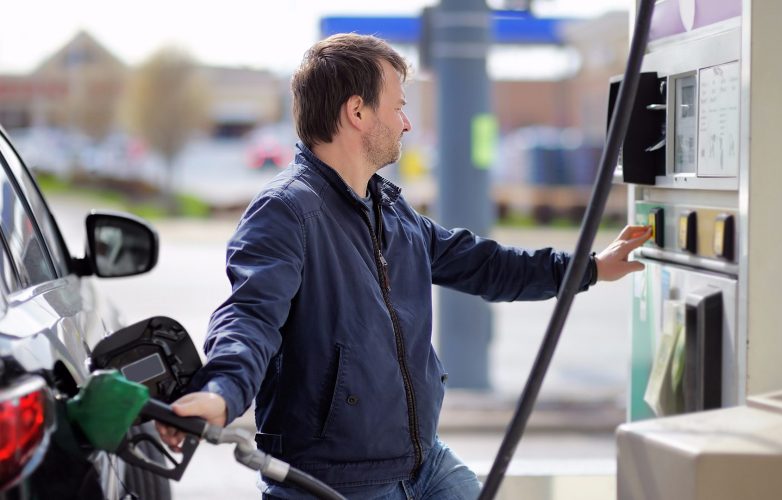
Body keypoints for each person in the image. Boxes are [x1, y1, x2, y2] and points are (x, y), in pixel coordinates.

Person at [157, 33, 651, 499]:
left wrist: (590, 268)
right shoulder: (287, 212)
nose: (406, 123)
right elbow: (249, 316)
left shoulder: (390, 211)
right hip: (336, 482)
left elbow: (486, 265)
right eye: (398, 108)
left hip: (423, 463)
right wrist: (221, 391)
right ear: (357, 112)